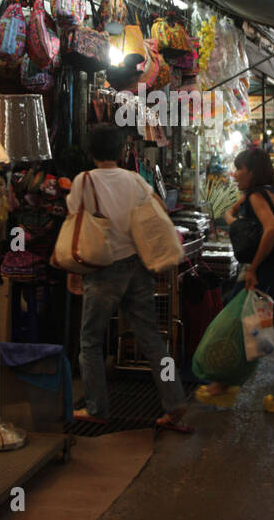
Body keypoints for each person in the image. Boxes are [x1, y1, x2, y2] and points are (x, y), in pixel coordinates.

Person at [69, 125, 189, 430]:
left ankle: (97, 407)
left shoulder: (84, 181)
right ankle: (174, 401)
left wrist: (74, 272)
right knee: (151, 339)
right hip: (136, 266)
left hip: (103, 267)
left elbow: (75, 221)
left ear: (91, 152)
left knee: (91, 342)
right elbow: (160, 209)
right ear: (122, 152)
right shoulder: (135, 179)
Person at [198, 148, 274, 414]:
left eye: (240, 169)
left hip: (267, 266)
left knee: (246, 321)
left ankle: (225, 383)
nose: (235, 175)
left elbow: (271, 229)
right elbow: (262, 224)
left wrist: (254, 268)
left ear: (253, 171)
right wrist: (236, 211)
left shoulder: (257, 195)